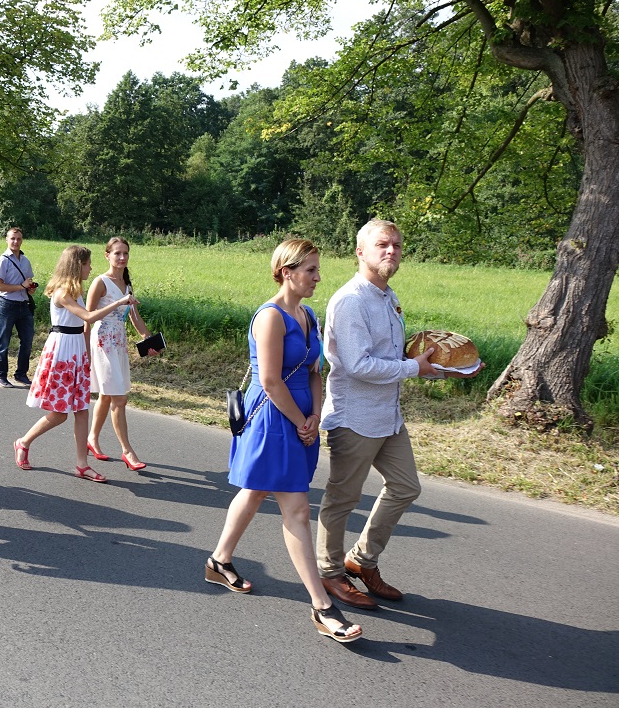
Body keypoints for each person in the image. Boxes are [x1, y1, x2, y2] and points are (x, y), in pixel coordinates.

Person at [315, 218, 481, 610]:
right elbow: (357, 365)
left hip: (387, 416)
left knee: (406, 487)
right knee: (343, 498)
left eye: (397, 245)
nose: (391, 251)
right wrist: (412, 368)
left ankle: (362, 560)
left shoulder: (388, 297)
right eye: (382, 245)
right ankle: (330, 573)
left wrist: (445, 367)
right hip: (355, 417)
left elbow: (396, 357)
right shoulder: (351, 300)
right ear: (360, 252)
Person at [204, 239, 361, 643]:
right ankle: (322, 607)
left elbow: (314, 371)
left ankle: (219, 561)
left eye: (317, 269)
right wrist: (300, 421)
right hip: (274, 419)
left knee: (256, 490)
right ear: (286, 272)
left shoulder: (307, 314)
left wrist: (315, 416)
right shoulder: (270, 317)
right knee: (296, 509)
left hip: (301, 418)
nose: (318, 277)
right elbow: (271, 381)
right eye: (310, 269)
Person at [13, 245, 138, 483]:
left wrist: (87, 357)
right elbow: (88, 317)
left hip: (76, 349)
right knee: (60, 414)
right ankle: (24, 442)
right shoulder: (62, 293)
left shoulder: (76, 290)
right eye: (87, 264)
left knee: (81, 410)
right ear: (77, 265)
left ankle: (82, 465)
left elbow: (83, 326)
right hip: (62, 351)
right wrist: (120, 302)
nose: (90, 268)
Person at [85, 236, 159, 471]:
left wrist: (148, 339)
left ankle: (92, 439)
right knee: (119, 398)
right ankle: (127, 451)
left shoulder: (127, 284)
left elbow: (135, 317)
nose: (122, 257)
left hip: (118, 343)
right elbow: (87, 318)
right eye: (117, 253)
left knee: (107, 395)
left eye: (125, 253)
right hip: (102, 342)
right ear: (107, 255)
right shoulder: (100, 282)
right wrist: (85, 351)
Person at [0, 227, 37, 387]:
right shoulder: (2, 261)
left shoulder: (25, 261)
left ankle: (21, 374)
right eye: (12, 238)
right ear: (7, 240)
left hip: (24, 305)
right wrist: (21, 286)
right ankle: (0, 374)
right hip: (7, 305)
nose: (16, 242)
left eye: (18, 239)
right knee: (4, 341)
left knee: (27, 340)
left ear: (22, 240)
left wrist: (30, 289)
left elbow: (28, 282)